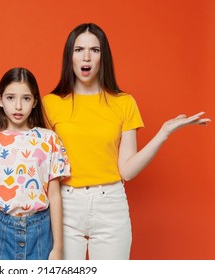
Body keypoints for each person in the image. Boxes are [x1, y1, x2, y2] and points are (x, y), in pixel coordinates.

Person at [42, 23, 211, 260]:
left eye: (95, 50)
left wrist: (163, 133)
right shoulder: (50, 103)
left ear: (104, 57)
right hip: (65, 205)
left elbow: (127, 171)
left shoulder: (124, 103)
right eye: (79, 49)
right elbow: (42, 168)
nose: (86, 57)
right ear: (69, 55)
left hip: (110, 204)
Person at [0, 67, 70, 260]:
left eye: (26, 98)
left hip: (40, 230)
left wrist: (58, 248)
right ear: (0, 100)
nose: (18, 106)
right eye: (11, 98)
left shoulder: (49, 140)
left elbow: (54, 196)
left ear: (35, 101)